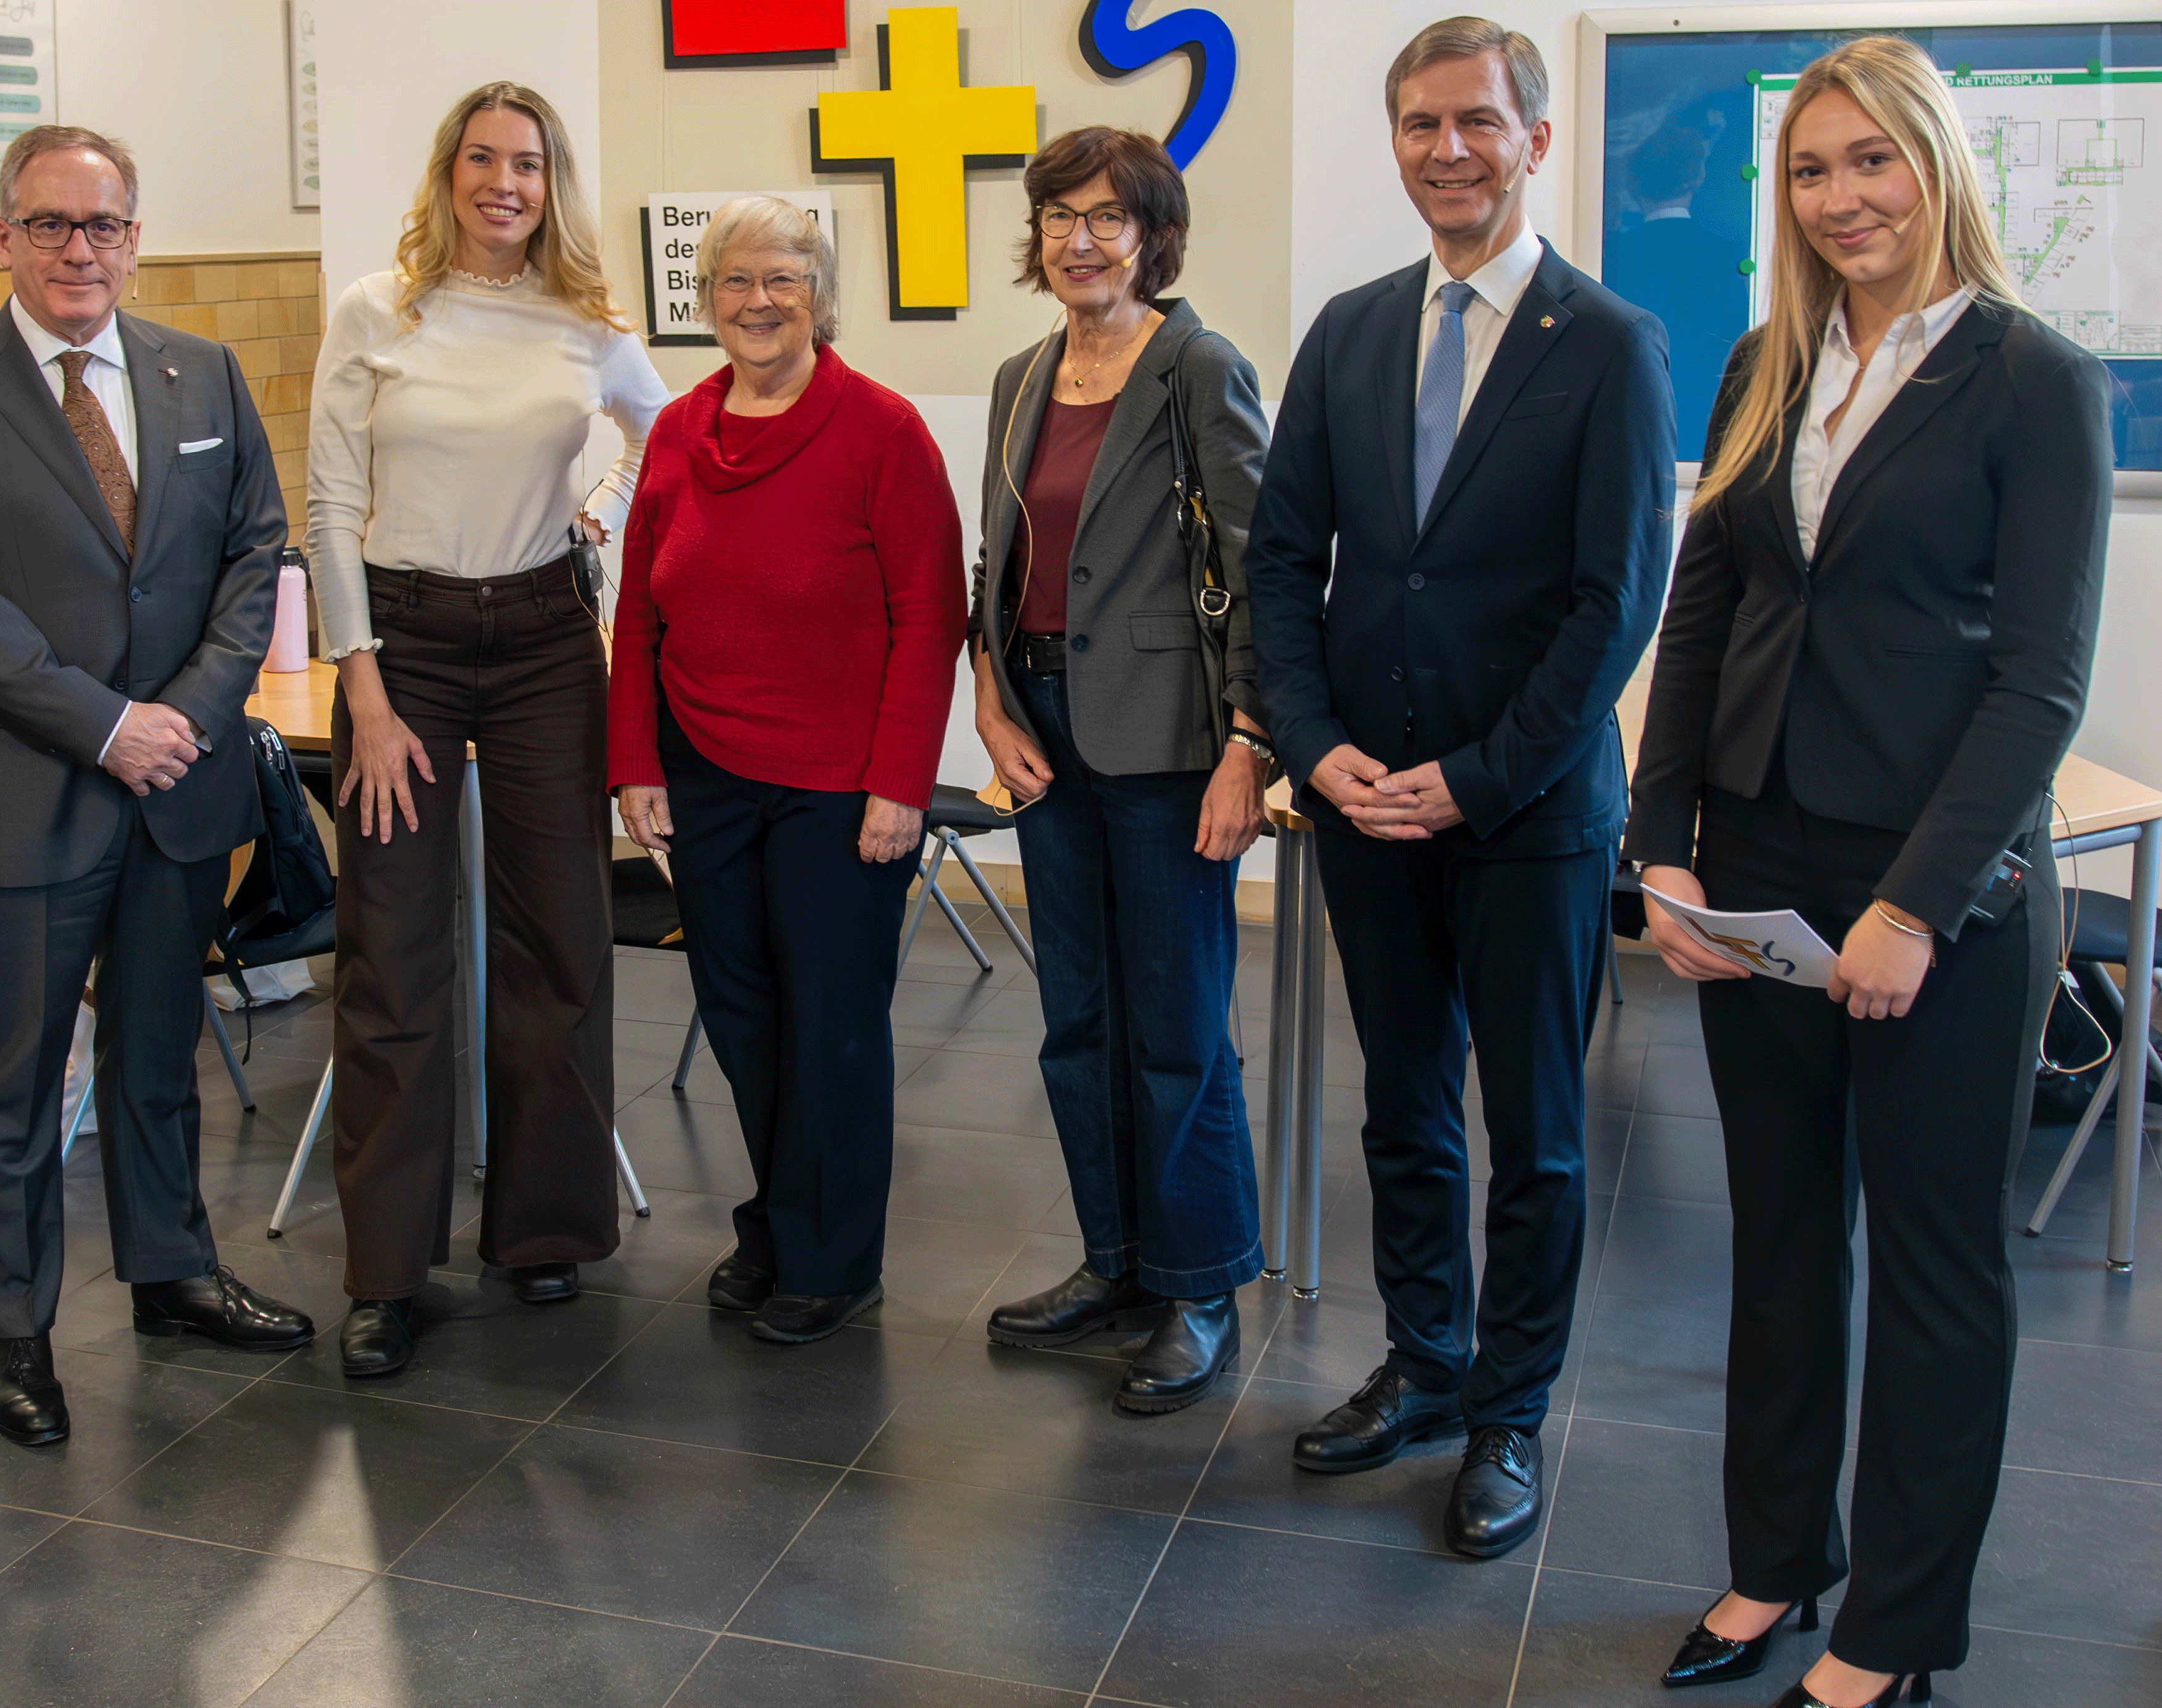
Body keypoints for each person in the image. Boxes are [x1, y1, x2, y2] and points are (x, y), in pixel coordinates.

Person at [1625, 36, 2109, 1708]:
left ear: (1937, 166)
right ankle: (1776, 1563)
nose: (1841, 197)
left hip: (1939, 891)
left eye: (1871, 162)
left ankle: (1897, 1628)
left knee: (1931, 1261)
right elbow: (1705, 612)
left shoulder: (2031, 378)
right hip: (1757, 857)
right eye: (1811, 170)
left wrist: (1915, 903)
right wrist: (1662, 846)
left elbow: (2040, 681)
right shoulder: (1769, 358)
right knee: (1776, 1238)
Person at [1239, 16, 1675, 1559]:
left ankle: (1507, 1409)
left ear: (1533, 140)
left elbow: (1612, 604)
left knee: (1536, 1133)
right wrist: (1308, 742)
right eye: (1419, 125)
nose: (1445, 151)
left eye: (1475, 124)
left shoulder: (1607, 344)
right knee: (1402, 1107)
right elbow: (1281, 564)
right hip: (1362, 799)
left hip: (1527, 817)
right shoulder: (1349, 332)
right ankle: (1424, 1362)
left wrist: (1477, 777)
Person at [0, 124, 311, 1449]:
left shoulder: (205, 372)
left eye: (106, 225)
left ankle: (170, 1267)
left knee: (156, 1049)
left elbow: (256, 551)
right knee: (17, 1077)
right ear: (1, 235)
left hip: (177, 783)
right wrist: (104, 724)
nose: (82, 251)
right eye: (52, 225)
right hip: (35, 788)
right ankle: (19, 1334)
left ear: (137, 234)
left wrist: (178, 718)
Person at [304, 81, 670, 1380]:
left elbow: (661, 430)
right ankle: (386, 1269)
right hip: (396, 639)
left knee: (556, 933)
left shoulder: (584, 322)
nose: (503, 182)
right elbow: (331, 497)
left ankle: (543, 1227)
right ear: (446, 172)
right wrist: (362, 687)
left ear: (549, 181)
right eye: (481, 159)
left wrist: (600, 517)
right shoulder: (374, 308)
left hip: (539, 643)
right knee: (391, 951)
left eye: (526, 163)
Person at [608, 195, 966, 1345]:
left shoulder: (882, 429)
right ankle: (772, 1220)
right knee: (744, 1016)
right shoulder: (676, 431)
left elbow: (930, 614)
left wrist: (901, 782)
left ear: (819, 294)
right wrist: (634, 762)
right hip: (703, 769)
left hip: (840, 785)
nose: (757, 302)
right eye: (733, 282)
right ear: (704, 297)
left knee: (832, 1024)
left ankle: (834, 1256)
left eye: (783, 280)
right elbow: (637, 608)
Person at [967, 126, 1272, 1414]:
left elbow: (1260, 565)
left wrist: (1248, 750)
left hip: (1166, 740)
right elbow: (998, 564)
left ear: (1152, 234)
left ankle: (1196, 1282)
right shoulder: (1019, 373)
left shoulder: (1199, 365)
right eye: (1058, 216)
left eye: (1107, 217)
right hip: (1038, 722)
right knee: (1076, 1022)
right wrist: (986, 697)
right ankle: (1114, 1260)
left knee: (1176, 1027)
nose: (1080, 238)